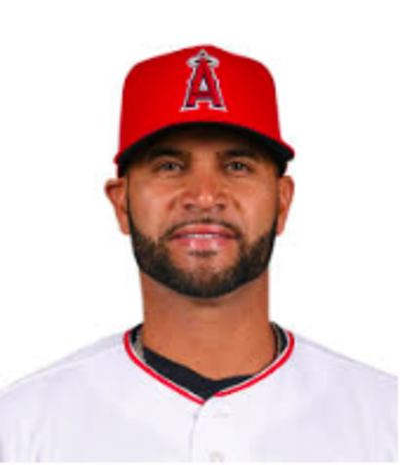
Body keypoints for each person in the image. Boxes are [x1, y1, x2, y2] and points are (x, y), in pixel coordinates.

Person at [0, 45, 397, 462]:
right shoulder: (23, 427)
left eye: (237, 165)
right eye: (169, 166)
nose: (204, 196)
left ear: (282, 202)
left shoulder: (387, 420)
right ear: (122, 204)